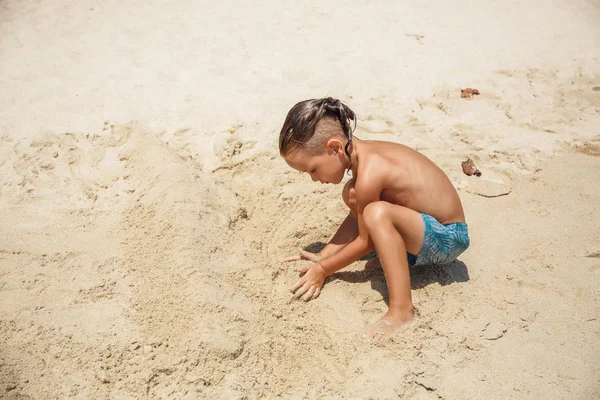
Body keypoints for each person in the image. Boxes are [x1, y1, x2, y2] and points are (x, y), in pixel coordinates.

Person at [279, 97, 470, 339]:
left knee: (375, 213)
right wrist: (325, 254)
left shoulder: (371, 171)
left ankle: (402, 310)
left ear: (335, 148)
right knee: (354, 195)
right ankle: (399, 254)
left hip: (449, 238)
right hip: (424, 226)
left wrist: (324, 270)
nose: (314, 179)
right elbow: (357, 216)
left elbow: (366, 240)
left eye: (313, 169)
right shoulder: (363, 156)